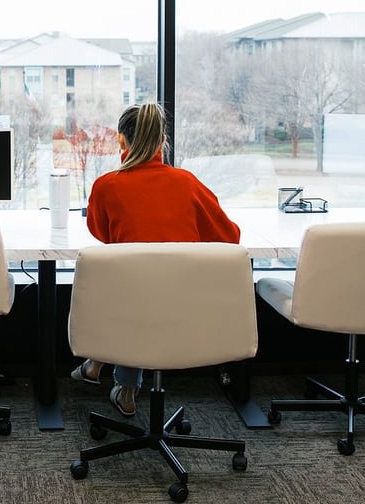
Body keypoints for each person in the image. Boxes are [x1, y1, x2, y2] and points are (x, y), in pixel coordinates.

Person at [70, 102, 241, 417]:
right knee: (142, 291)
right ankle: (119, 382)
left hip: (130, 308)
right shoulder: (188, 184)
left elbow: (101, 234)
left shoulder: (106, 186)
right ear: (163, 141)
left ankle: (113, 374)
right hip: (187, 309)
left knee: (129, 289)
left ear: (121, 141)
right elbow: (230, 237)